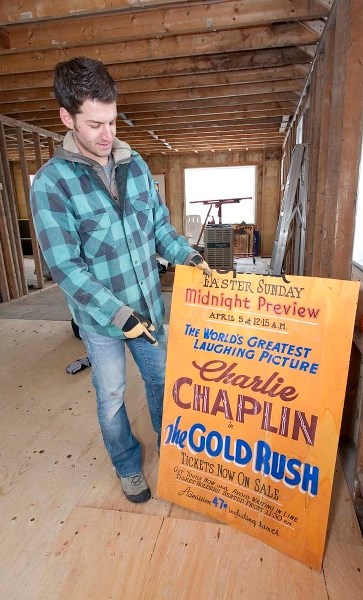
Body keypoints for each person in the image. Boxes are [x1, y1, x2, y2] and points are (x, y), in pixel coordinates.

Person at [30, 56, 211, 504]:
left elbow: (159, 230)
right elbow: (64, 267)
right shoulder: (51, 184)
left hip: (148, 307)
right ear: (66, 118)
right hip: (101, 321)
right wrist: (116, 314)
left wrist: (188, 256)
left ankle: (174, 456)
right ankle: (128, 465)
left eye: (112, 121)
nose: (108, 135)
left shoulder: (135, 165)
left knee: (163, 382)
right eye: (94, 125)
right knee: (111, 395)